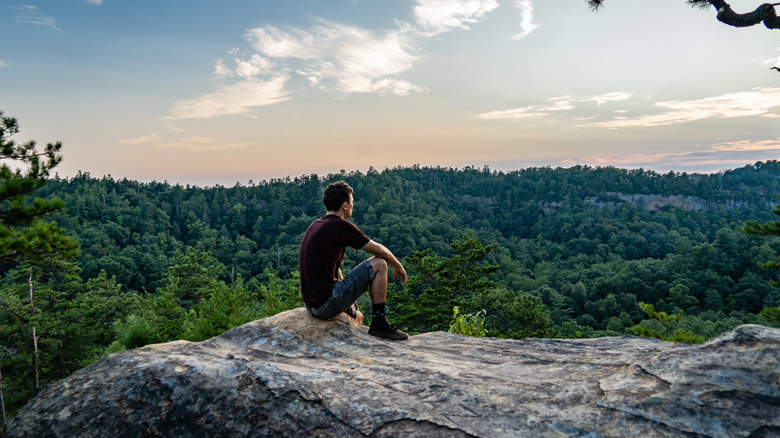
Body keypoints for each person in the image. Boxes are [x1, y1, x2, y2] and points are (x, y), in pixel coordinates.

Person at [299, 180, 409, 340]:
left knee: (359, 316)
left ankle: (365, 326)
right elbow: (378, 249)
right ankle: (379, 323)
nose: (352, 205)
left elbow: (334, 268)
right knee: (380, 263)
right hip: (325, 304)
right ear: (345, 205)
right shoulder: (340, 226)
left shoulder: (316, 224)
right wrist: (397, 265)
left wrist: (351, 300)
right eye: (352, 202)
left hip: (311, 304)